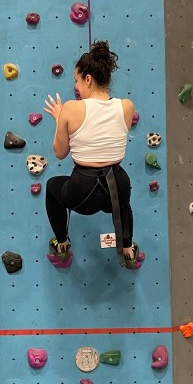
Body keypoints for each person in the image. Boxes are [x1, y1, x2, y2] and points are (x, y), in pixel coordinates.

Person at [43, 40, 140, 268]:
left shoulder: (71, 108)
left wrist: (60, 120)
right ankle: (127, 249)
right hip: (116, 188)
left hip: (82, 192)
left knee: (52, 187)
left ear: (88, 79)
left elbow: (60, 153)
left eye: (77, 80)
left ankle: (62, 244)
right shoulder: (126, 106)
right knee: (124, 203)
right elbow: (105, 129)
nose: (76, 87)